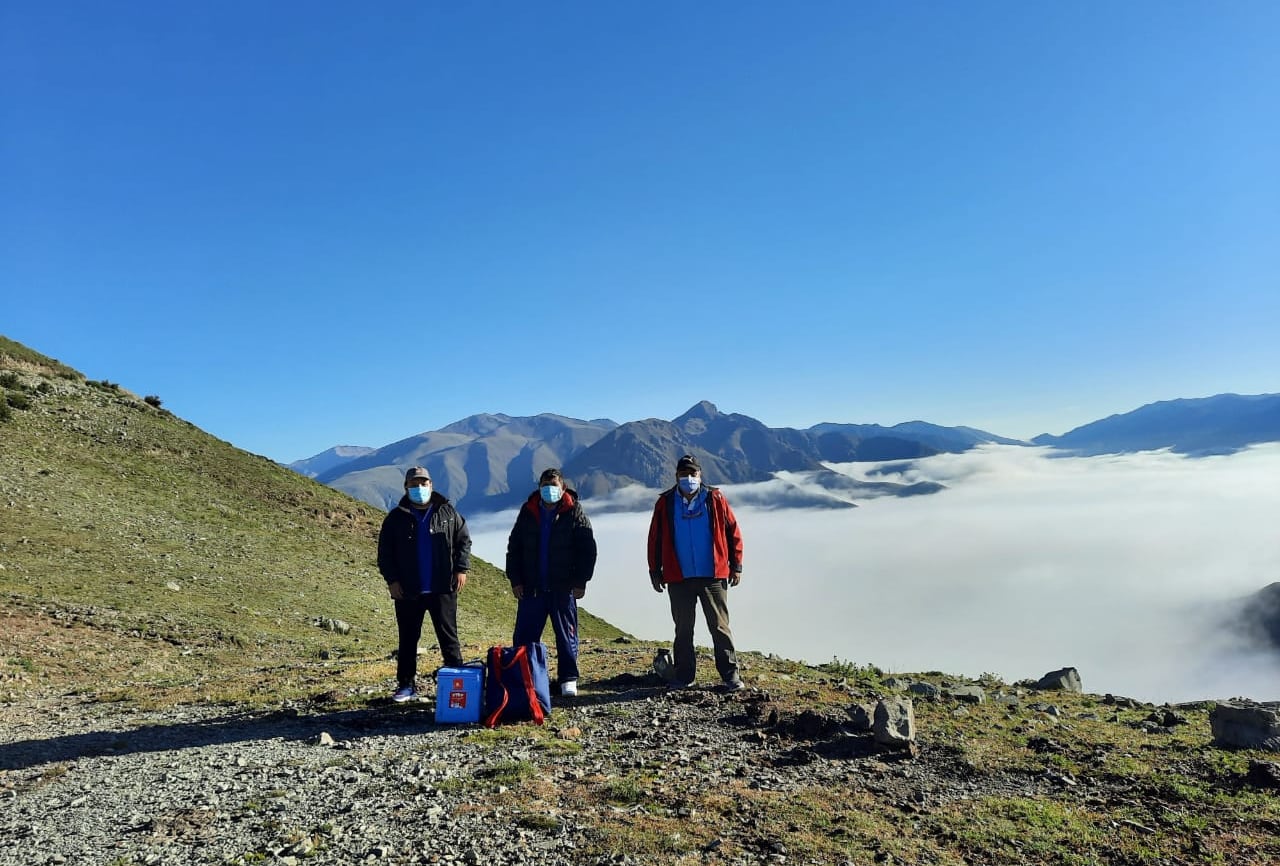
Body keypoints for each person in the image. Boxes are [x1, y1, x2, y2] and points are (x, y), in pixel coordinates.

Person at [647, 454, 744, 691]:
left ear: (700, 475)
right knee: (683, 629)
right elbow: (655, 538)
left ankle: (730, 675)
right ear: (676, 476)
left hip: (713, 575)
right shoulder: (665, 503)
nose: (689, 478)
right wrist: (655, 570)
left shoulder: (715, 498)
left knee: (719, 627)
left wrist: (736, 565)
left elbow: (732, 530)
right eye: (684, 474)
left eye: (693, 473)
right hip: (678, 576)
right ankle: (684, 676)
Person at [377, 466, 471, 702]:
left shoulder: (447, 512)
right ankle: (406, 685)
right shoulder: (396, 518)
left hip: (443, 587)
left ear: (431, 485)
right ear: (406, 487)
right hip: (408, 589)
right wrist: (392, 581)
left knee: (449, 638)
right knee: (408, 639)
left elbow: (463, 541)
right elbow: (385, 553)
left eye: (423, 483)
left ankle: (458, 684)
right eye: (414, 484)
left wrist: (461, 569)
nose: (419, 488)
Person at [505, 468, 597, 698]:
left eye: (554, 485)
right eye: (545, 485)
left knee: (566, 635)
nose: (549, 489)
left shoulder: (574, 511)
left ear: (563, 487)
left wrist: (581, 581)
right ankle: (526, 678)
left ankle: (568, 679)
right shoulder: (528, 511)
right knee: (525, 637)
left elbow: (587, 548)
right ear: (539, 487)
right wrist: (516, 580)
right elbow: (514, 547)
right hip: (532, 588)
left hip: (563, 587)